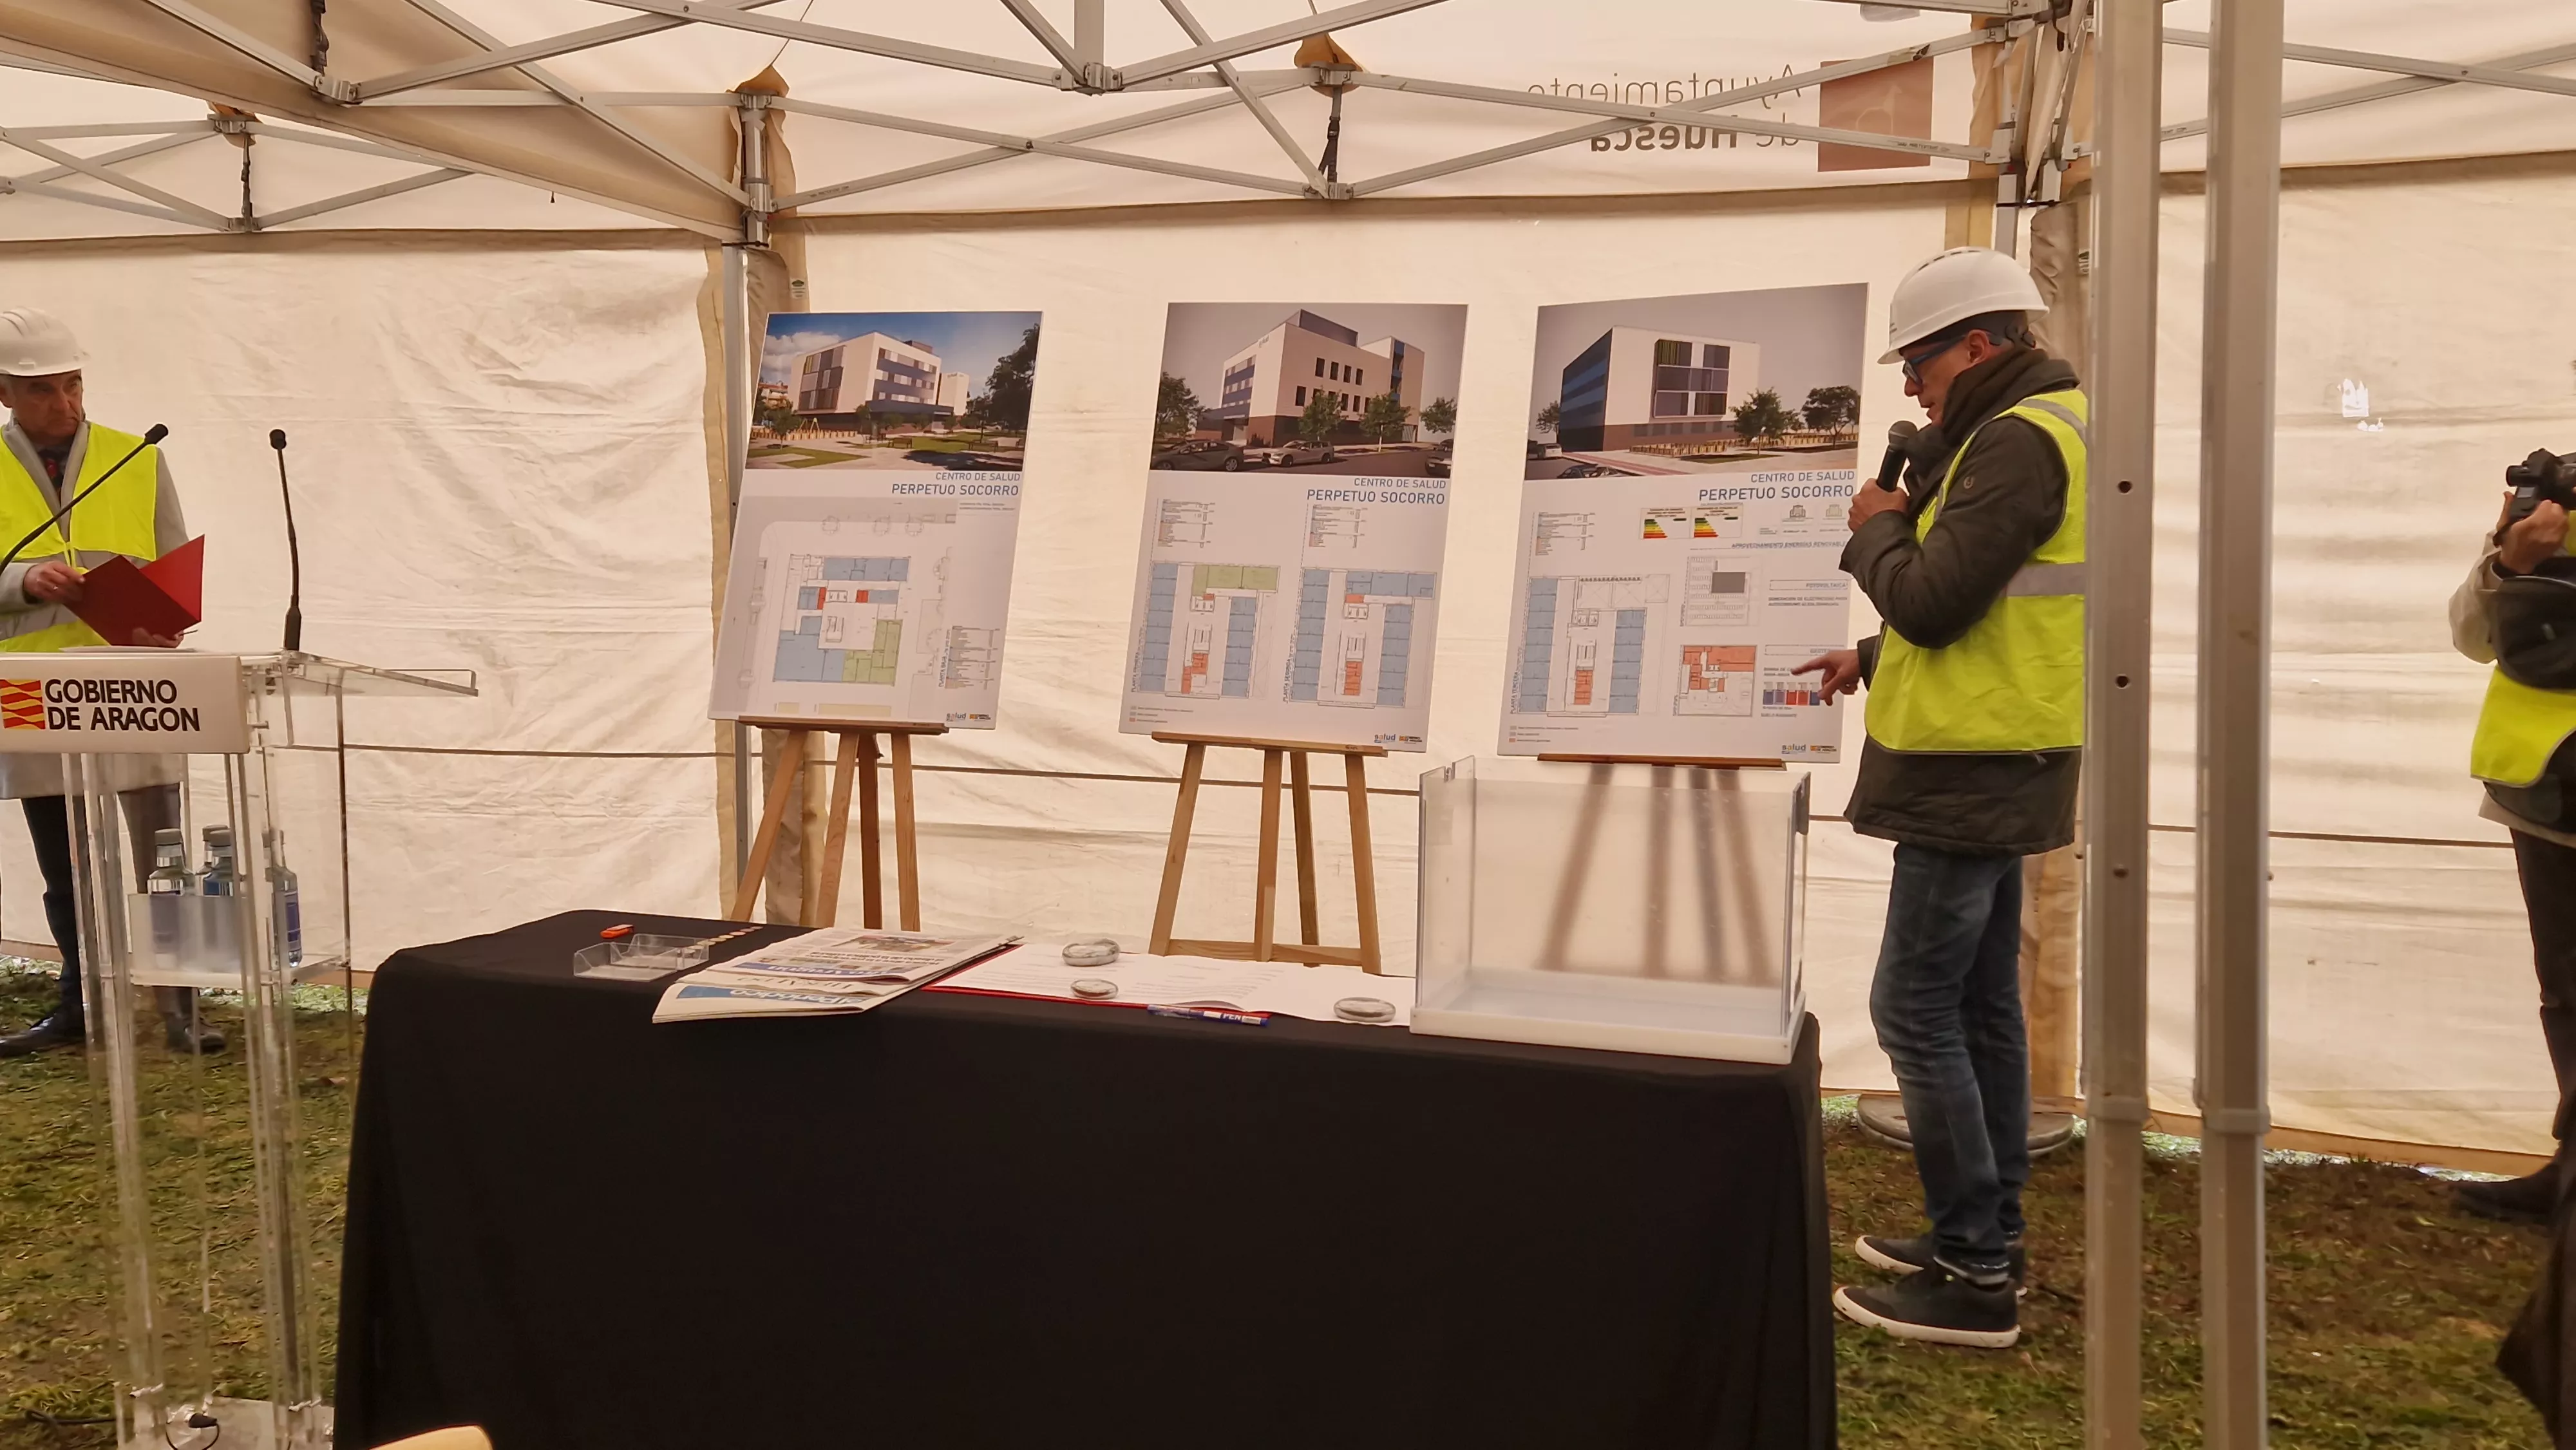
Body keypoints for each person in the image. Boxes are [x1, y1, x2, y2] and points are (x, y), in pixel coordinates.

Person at [1792, 247, 2087, 1348]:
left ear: (1976, 344)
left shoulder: (2015, 442)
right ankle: (1987, 1232)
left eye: (1918, 363)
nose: (1910, 386)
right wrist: (1870, 658)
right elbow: (1993, 603)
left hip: (1971, 766)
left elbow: (1934, 601)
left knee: (1914, 1009)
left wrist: (1873, 525)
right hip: (2002, 750)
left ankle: (1974, 1275)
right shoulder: (2033, 428)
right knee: (1976, 1007)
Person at [0, 306, 221, 1057]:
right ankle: (81, 1005)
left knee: (163, 855)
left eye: (73, 384)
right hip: (30, 685)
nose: (64, 403)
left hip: (133, 680)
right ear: (4, 392)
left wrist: (171, 618)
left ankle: (181, 1005)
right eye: (43, 390)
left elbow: (172, 565)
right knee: (65, 864)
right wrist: (24, 580)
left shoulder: (139, 456)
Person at [2448, 472, 2576, 1223]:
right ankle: (2572, 1170)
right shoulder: (2550, 511)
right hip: (2545, 791)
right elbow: (2471, 636)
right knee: (2565, 988)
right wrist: (2510, 562)